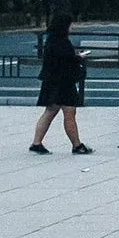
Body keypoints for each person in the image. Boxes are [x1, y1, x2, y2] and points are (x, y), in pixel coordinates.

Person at [31, 13, 90, 154]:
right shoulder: (61, 42)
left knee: (50, 111)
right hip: (62, 83)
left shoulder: (53, 40)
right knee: (69, 112)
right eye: (70, 24)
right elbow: (66, 60)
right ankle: (76, 145)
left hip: (52, 82)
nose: (72, 27)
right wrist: (78, 58)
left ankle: (36, 143)